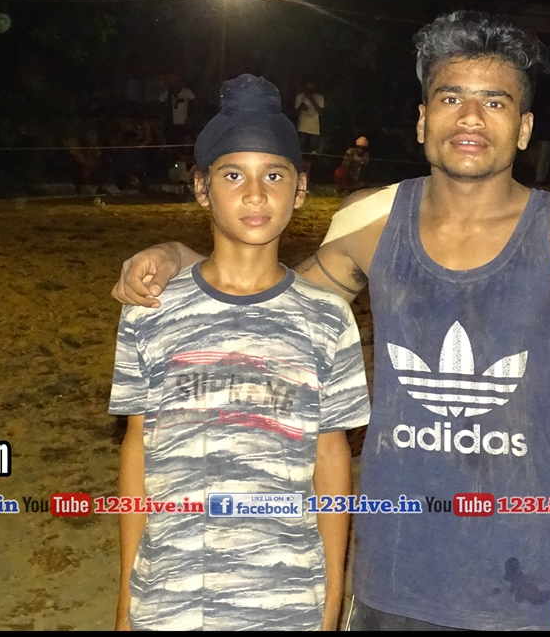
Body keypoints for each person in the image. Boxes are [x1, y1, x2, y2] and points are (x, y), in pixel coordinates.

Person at [111, 10, 550, 631]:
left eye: (495, 102)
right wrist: (179, 255)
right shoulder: (371, 222)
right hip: (390, 581)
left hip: (525, 584)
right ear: (422, 119)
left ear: (524, 128)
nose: (471, 117)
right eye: (451, 97)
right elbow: (268, 301)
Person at [110, 74, 370, 631]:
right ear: (201, 187)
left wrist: (330, 604)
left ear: (300, 190)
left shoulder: (327, 318)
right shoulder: (150, 309)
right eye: (233, 175)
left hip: (286, 601)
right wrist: (127, 602)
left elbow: (331, 461)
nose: (256, 194)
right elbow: (137, 452)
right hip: (171, 599)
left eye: (274, 175)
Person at [159, 74, 195, 143]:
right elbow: (159, 104)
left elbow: (194, 103)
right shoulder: (166, 94)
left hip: (183, 122)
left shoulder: (187, 92)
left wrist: (190, 117)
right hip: (170, 124)